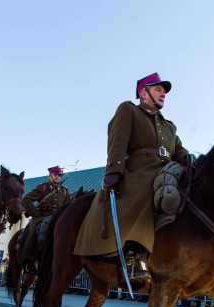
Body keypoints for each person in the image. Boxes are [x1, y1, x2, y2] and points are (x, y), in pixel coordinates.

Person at [73, 73, 189, 281]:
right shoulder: (129, 110)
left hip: (167, 169)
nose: (163, 93)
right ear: (144, 93)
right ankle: (132, 255)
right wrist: (114, 171)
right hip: (138, 169)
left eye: (164, 91)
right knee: (151, 187)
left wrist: (193, 163)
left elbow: (180, 152)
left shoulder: (169, 126)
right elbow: (118, 140)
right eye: (158, 89)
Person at [21, 166, 70, 273]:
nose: (57, 177)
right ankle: (29, 261)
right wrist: (36, 214)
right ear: (50, 175)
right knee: (34, 231)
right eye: (55, 174)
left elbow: (68, 207)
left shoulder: (65, 191)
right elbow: (25, 199)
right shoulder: (43, 187)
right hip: (42, 217)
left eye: (59, 175)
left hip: (58, 218)